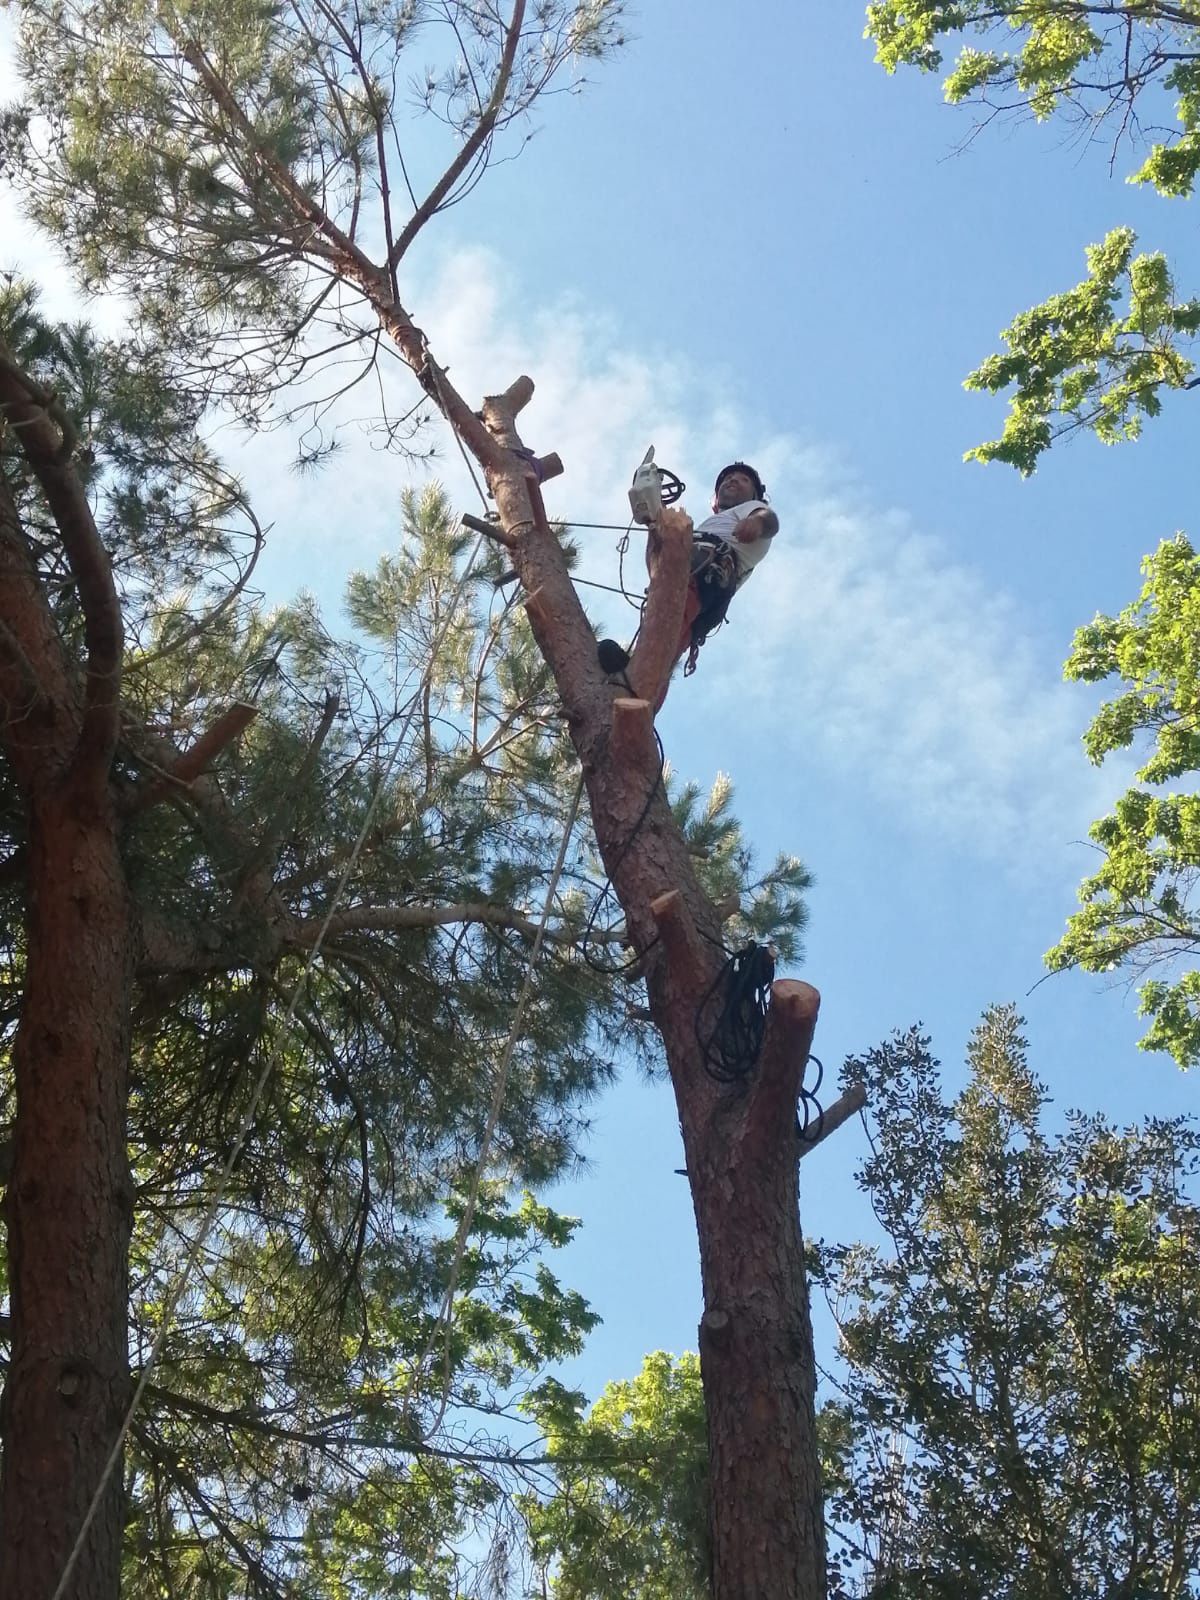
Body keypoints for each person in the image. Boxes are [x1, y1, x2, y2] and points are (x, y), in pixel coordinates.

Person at [676, 461, 777, 676]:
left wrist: (757, 523)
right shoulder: (713, 521)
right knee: (666, 636)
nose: (732, 480)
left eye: (743, 480)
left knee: (669, 623)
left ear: (755, 496)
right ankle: (635, 673)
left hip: (709, 574)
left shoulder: (752, 509)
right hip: (692, 574)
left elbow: (769, 520)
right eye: (728, 478)